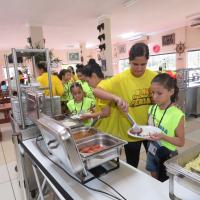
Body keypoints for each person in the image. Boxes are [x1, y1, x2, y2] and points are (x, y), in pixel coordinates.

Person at [93, 42, 157, 168]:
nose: (139, 68)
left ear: (148, 61)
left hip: (150, 130)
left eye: (143, 64)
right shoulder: (120, 79)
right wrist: (115, 98)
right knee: (132, 164)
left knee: (155, 163)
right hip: (130, 131)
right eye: (135, 64)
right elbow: (97, 91)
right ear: (129, 61)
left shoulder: (154, 77)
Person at [146, 73, 185, 182]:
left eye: (159, 93)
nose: (154, 97)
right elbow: (149, 127)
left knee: (165, 180)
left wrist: (163, 136)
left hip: (167, 154)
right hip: (152, 150)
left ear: (171, 92)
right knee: (153, 174)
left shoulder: (177, 115)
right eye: (152, 93)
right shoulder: (152, 109)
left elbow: (181, 142)